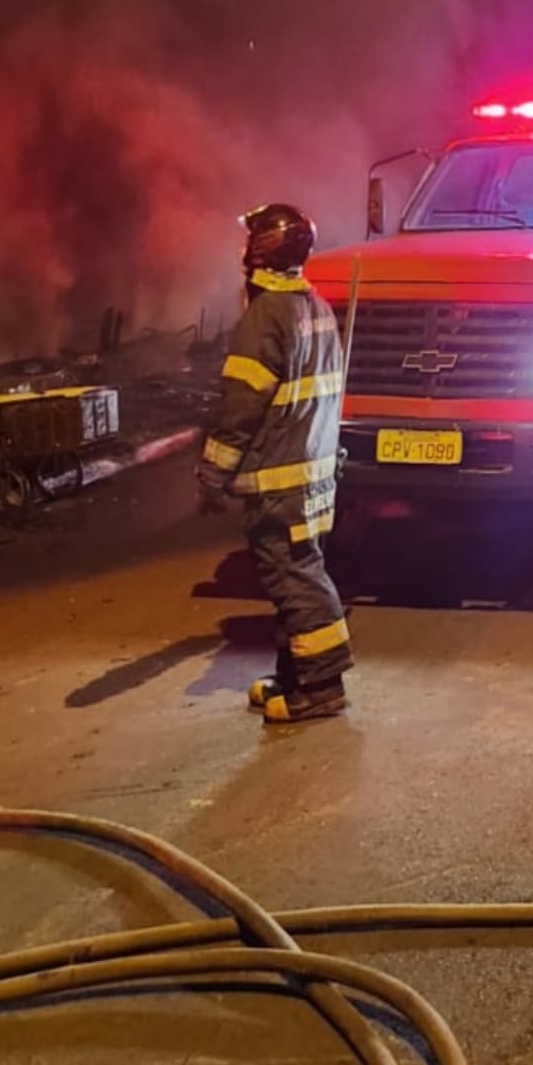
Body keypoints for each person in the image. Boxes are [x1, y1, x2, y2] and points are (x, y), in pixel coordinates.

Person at [196, 204, 354, 724]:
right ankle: (294, 675)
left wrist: (213, 474)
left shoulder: (266, 317)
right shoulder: (313, 305)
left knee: (294, 579)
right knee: (297, 572)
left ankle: (321, 687)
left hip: (279, 478)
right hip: (311, 471)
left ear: (259, 251)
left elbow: (241, 407)